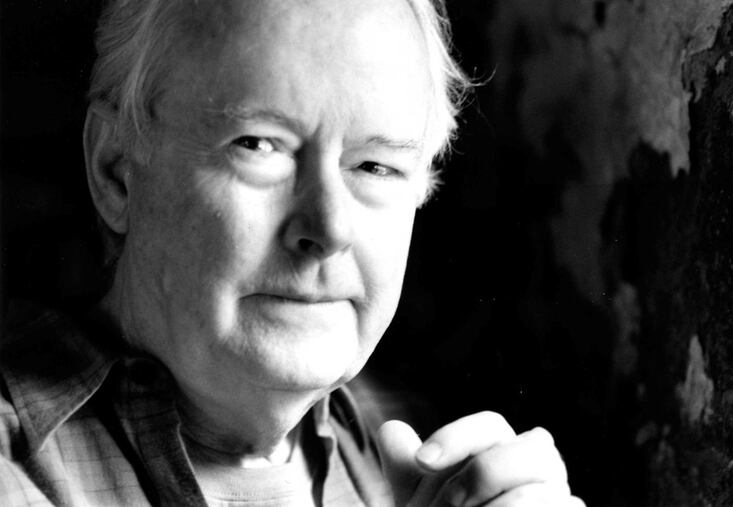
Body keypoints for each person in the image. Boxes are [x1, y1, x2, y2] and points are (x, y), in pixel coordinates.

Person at [0, 0, 585, 505]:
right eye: (259, 145)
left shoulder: (424, 446)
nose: (328, 228)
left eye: (375, 166)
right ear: (117, 171)